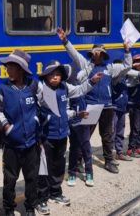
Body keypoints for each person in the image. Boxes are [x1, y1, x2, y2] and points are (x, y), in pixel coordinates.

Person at [57, 27, 132, 174]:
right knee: (84, 136)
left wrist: (127, 51)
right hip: (90, 106)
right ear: (92, 54)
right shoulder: (86, 65)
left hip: (107, 107)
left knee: (107, 135)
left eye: (100, 53)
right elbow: (74, 54)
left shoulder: (110, 68)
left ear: (104, 55)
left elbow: (127, 66)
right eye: (95, 52)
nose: (97, 54)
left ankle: (109, 160)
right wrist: (65, 41)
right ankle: (78, 162)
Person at [36, 60, 101, 213]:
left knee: (58, 166)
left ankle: (56, 193)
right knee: (44, 168)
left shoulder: (65, 88)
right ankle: (41, 198)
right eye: (51, 74)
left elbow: (79, 91)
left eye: (58, 74)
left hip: (62, 134)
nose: (55, 77)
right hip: (46, 136)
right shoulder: (40, 90)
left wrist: (91, 81)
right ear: (45, 76)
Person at [0, 50, 40, 216]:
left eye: (12, 67)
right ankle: (8, 208)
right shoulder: (3, 89)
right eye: (7, 67)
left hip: (31, 144)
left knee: (31, 179)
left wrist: (37, 121)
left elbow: (42, 104)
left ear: (21, 69)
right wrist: (7, 127)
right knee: (10, 180)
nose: (8, 70)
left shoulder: (33, 86)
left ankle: (30, 207)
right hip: (12, 145)